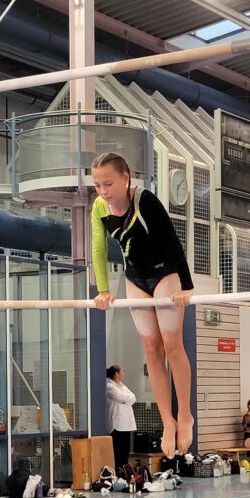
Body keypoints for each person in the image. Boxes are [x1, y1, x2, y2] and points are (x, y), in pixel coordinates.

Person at [91, 153, 194, 460]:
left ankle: (185, 414)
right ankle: (167, 421)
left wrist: (187, 286)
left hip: (165, 273)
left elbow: (171, 241)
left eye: (109, 183)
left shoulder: (144, 201)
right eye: (97, 185)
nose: (103, 191)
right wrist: (103, 290)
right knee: (151, 349)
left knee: (172, 345)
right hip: (135, 278)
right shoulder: (99, 208)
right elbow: (98, 248)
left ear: (126, 178)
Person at [105, 365, 136, 472]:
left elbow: (133, 397)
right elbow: (121, 397)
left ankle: (125, 471)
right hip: (116, 424)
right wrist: (126, 400)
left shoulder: (122, 386)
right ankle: (117, 471)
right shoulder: (109, 386)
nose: (124, 374)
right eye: (122, 372)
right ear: (116, 374)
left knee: (125, 450)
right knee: (117, 450)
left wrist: (126, 400)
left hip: (126, 424)